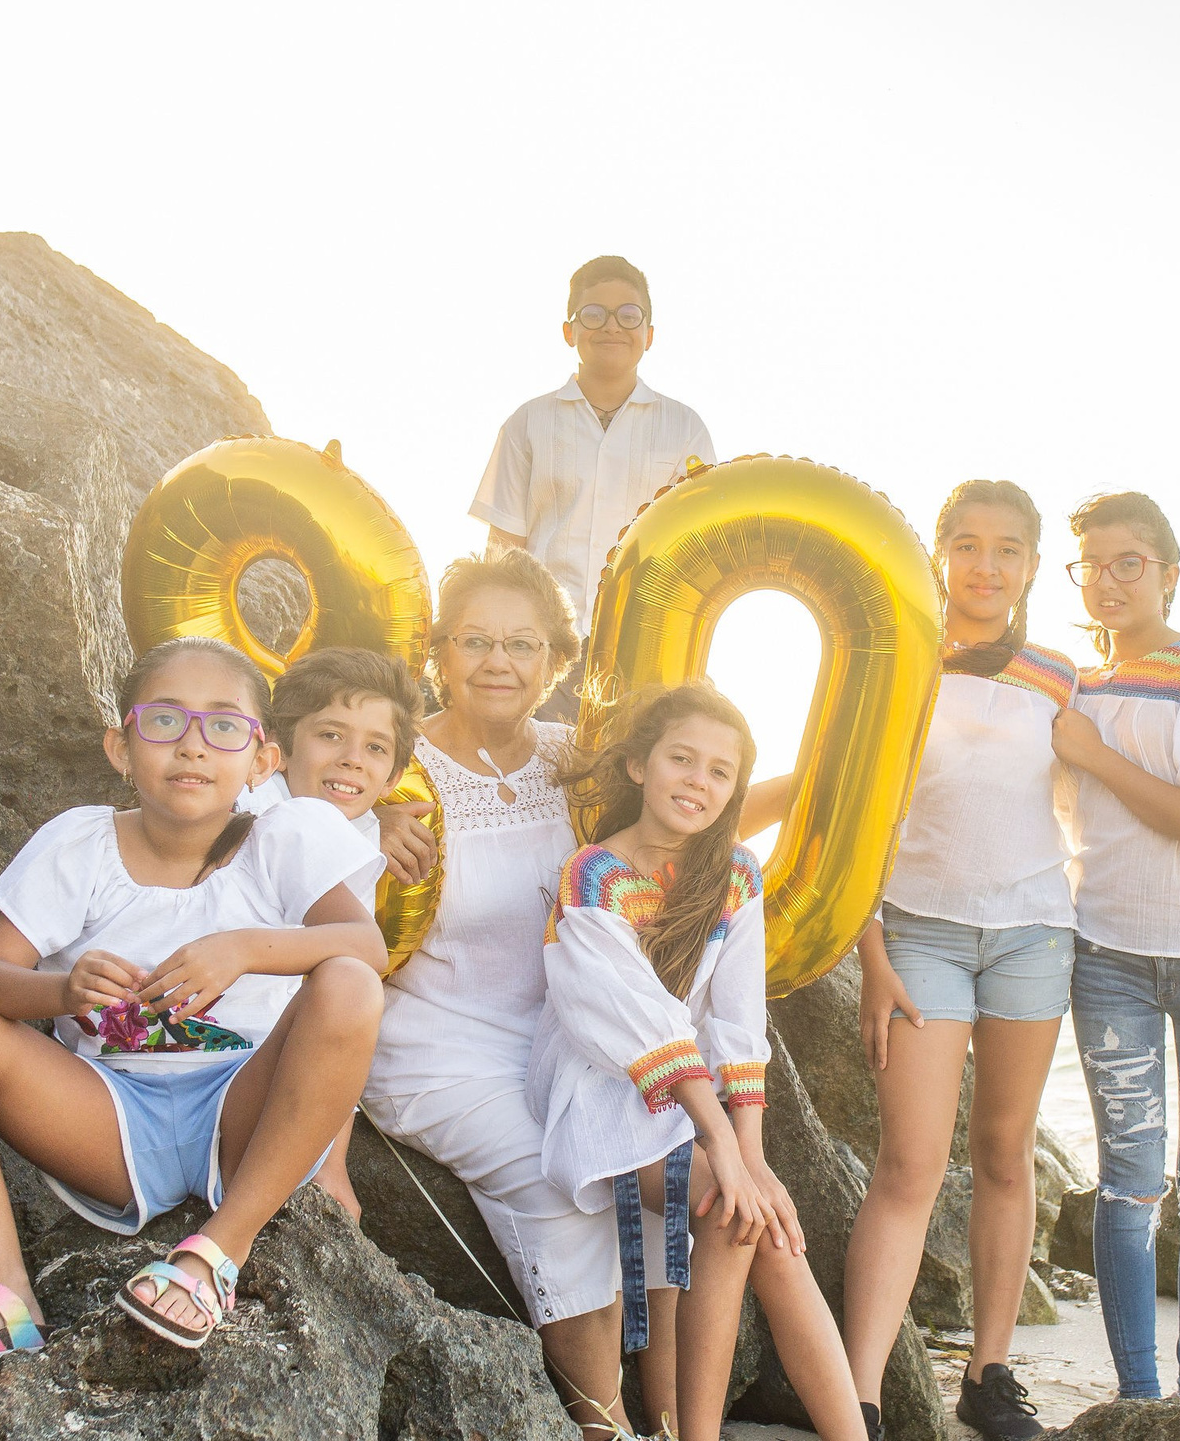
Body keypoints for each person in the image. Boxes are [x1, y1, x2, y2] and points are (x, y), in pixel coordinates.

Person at [0, 636, 386, 1373]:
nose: (192, 746)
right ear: (121, 745)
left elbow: (365, 945)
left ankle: (218, 1252)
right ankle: (6, 1298)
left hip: (244, 1113)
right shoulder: (80, 842)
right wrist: (60, 990)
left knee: (348, 983)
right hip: (108, 1115)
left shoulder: (288, 835)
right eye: (164, 722)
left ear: (262, 760)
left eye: (223, 725)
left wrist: (245, 947)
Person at [362, 547, 670, 1439]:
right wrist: (367, 820)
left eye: (523, 644)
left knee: (662, 1171)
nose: (498, 661)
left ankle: (667, 1415)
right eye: (476, 640)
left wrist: (817, 779)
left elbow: (693, 806)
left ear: (556, 662)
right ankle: (602, 1425)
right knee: (559, 1180)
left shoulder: (577, 759)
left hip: (560, 1030)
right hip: (431, 1034)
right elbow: (283, 806)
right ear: (439, 653)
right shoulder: (397, 760)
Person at [531, 682, 869, 1441]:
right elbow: (638, 1026)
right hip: (606, 1093)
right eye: (681, 758)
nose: (698, 780)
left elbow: (737, 1021)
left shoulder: (737, 874)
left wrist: (751, 1152)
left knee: (767, 1225)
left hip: (693, 1105)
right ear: (638, 765)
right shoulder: (593, 876)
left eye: (721, 771)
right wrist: (725, 1151)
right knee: (728, 1204)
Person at [838, 481, 1080, 1441]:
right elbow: (855, 812)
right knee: (909, 1162)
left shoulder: (1060, 675)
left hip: (1033, 932)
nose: (987, 565)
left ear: (1029, 564)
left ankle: (988, 1373)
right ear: (940, 555)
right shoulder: (896, 664)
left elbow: (1106, 777)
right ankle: (855, 1393)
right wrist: (870, 951)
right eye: (968, 545)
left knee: (1005, 1151)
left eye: (1008, 548)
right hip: (920, 934)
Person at [1049, 493, 1180, 1430]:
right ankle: (1141, 1402)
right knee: (1127, 1181)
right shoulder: (1065, 687)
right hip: (1106, 953)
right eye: (1091, 564)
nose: (1107, 579)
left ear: (1169, 572)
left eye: (1128, 561)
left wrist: (1095, 757)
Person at [470, 255, 715, 721]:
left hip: (641, 644)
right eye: (594, 314)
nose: (612, 327)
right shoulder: (529, 422)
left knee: (625, 778)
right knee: (531, 770)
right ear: (570, 331)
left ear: (649, 334)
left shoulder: (684, 429)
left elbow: (698, 553)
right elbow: (502, 548)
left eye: (629, 315)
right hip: (539, 644)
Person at [244, 645, 425, 1219]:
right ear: (279, 745)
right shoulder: (263, 810)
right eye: (330, 735)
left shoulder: (354, 825)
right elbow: (348, 972)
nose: (352, 760)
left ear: (393, 776)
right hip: (223, 1061)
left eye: (374, 748)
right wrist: (329, 1163)